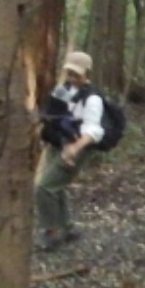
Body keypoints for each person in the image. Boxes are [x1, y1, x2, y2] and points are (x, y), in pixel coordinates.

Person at [36, 50, 107, 251]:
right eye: (70, 73)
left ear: (86, 74)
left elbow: (93, 131)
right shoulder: (62, 90)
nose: (73, 78)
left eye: (77, 74)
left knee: (44, 187)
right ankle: (67, 227)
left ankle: (51, 231)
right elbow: (51, 116)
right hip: (58, 144)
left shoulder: (92, 99)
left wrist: (74, 149)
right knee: (55, 186)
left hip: (77, 147)